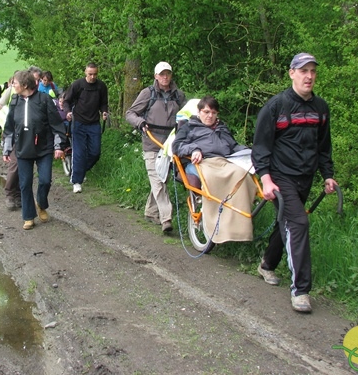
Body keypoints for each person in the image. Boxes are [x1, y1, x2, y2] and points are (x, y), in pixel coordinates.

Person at [252, 52, 338, 313]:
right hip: (280, 178)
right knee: (299, 223)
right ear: (291, 73)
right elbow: (261, 148)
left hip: (306, 178)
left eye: (312, 71)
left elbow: (324, 147)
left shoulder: (321, 108)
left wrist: (328, 175)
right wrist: (265, 179)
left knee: (288, 223)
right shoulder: (275, 106)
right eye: (303, 71)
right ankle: (300, 290)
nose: (309, 76)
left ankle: (266, 264)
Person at [172, 95, 257, 243]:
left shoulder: (222, 128)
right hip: (202, 162)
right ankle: (215, 228)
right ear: (199, 112)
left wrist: (251, 152)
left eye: (213, 112)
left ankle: (239, 228)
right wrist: (194, 149)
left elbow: (233, 146)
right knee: (212, 180)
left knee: (243, 175)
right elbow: (177, 146)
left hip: (225, 162)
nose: (210, 116)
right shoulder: (189, 127)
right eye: (206, 112)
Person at [126, 61, 187, 232]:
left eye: (167, 73)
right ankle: (166, 218)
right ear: (156, 76)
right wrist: (140, 123)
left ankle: (151, 211)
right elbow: (130, 113)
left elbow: (188, 115)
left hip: (170, 144)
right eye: (162, 74)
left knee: (162, 178)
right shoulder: (148, 93)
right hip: (151, 143)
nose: (165, 77)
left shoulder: (179, 95)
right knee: (158, 181)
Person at [2, 70, 66, 230]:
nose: (12, 85)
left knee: (45, 180)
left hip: (43, 147)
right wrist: (7, 149)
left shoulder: (44, 100)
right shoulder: (15, 101)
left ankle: (41, 204)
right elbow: (9, 127)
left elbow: (57, 125)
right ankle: (28, 216)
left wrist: (58, 146)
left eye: (15, 83)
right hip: (23, 148)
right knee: (25, 183)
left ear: (24, 85)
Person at [62, 62, 109, 194]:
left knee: (95, 152)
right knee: (79, 153)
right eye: (90, 74)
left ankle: (79, 170)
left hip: (94, 123)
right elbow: (67, 101)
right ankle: (77, 181)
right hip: (78, 123)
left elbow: (103, 103)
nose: (93, 77)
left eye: (95, 74)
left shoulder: (101, 86)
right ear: (85, 72)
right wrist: (67, 112)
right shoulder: (77, 85)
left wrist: (104, 111)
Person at [0, 74, 22, 209]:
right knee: (15, 165)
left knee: (25, 168)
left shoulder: (35, 92)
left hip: (29, 136)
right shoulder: (10, 91)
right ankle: (11, 195)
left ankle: (19, 195)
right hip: (12, 133)